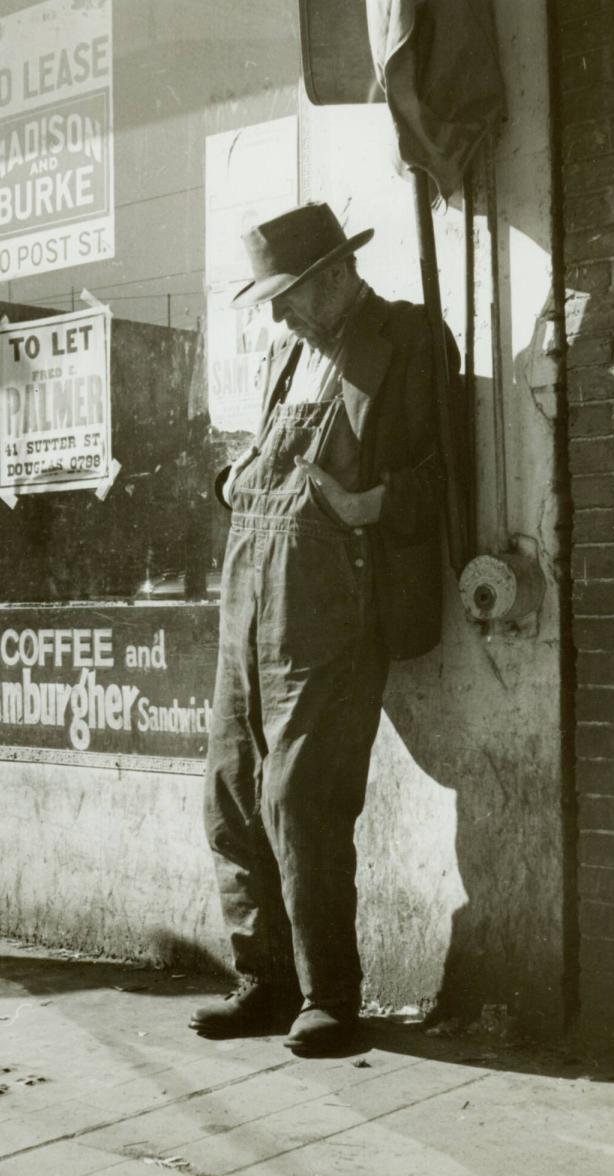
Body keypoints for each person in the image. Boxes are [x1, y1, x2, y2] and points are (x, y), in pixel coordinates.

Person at [191, 201, 456, 1056]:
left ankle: (330, 994)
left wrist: (367, 502)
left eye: (291, 293)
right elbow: (273, 456)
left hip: (335, 605)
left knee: (299, 795)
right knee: (231, 792)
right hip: (250, 597)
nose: (277, 313)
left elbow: (445, 474)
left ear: (338, 273)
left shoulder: (410, 342)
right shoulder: (287, 353)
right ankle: (264, 981)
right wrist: (235, 475)